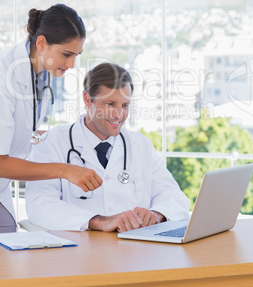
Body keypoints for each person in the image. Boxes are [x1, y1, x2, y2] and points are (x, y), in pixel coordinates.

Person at [25, 63, 190, 232]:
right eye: (110, 104)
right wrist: (99, 221)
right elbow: (39, 204)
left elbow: (174, 196)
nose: (119, 115)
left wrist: (156, 214)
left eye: (125, 105)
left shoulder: (141, 145)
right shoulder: (53, 143)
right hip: (78, 251)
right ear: (87, 99)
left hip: (135, 252)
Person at [0, 4, 102, 233]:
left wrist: (54, 138)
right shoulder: (4, 75)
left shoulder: (40, 73)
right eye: (66, 54)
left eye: (76, 55)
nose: (71, 65)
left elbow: (20, 131)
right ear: (42, 43)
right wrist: (65, 170)